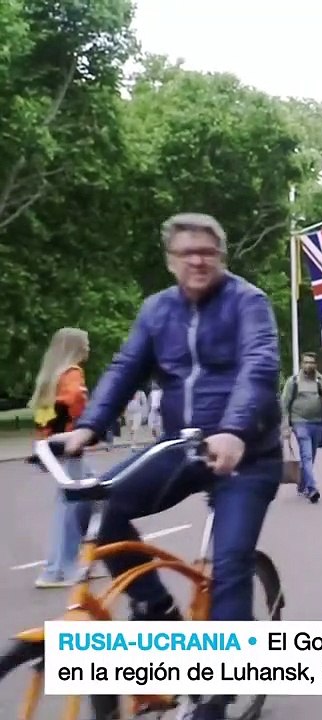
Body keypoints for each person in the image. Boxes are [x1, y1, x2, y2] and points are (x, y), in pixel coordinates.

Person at [56, 212, 282, 720]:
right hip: (184, 446)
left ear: (221, 257)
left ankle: (216, 696)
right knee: (92, 504)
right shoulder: (157, 311)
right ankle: (156, 606)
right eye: (187, 253)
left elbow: (259, 366)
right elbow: (123, 369)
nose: (198, 260)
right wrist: (89, 426)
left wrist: (235, 429)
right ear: (171, 260)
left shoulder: (249, 303)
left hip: (249, 453)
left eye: (208, 252)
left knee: (228, 567)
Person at [28, 327, 92, 588]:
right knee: (73, 506)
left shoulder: (51, 376)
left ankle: (74, 562)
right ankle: (59, 569)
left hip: (53, 446)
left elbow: (46, 414)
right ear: (75, 347)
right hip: (70, 445)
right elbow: (74, 402)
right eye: (85, 344)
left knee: (89, 500)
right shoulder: (73, 373)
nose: (88, 349)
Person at [280, 351, 322, 503]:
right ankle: (312, 489)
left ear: (316, 365)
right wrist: (285, 426)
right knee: (307, 455)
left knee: (310, 456)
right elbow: (285, 403)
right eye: (306, 362)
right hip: (299, 422)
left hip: (317, 422)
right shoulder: (294, 381)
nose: (309, 365)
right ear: (302, 364)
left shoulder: (321, 380)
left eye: (312, 362)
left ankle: (302, 484)